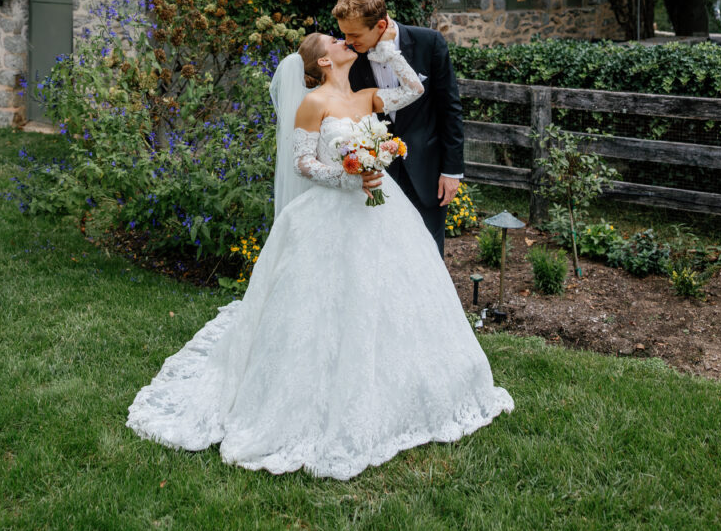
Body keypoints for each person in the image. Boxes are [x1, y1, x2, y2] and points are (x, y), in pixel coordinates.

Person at [126, 28, 513, 480]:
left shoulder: (369, 96)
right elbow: (303, 163)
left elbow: (415, 89)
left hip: (382, 211)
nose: (343, 42)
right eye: (334, 41)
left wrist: (389, 51)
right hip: (330, 212)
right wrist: (347, 176)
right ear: (323, 61)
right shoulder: (313, 105)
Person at [333, 0, 464, 257]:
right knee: (383, 255)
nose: (347, 41)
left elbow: (450, 109)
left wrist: (451, 172)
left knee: (428, 253)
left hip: (427, 172)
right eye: (344, 34)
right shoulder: (348, 55)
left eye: (354, 35)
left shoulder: (430, 43)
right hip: (377, 179)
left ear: (380, 25)